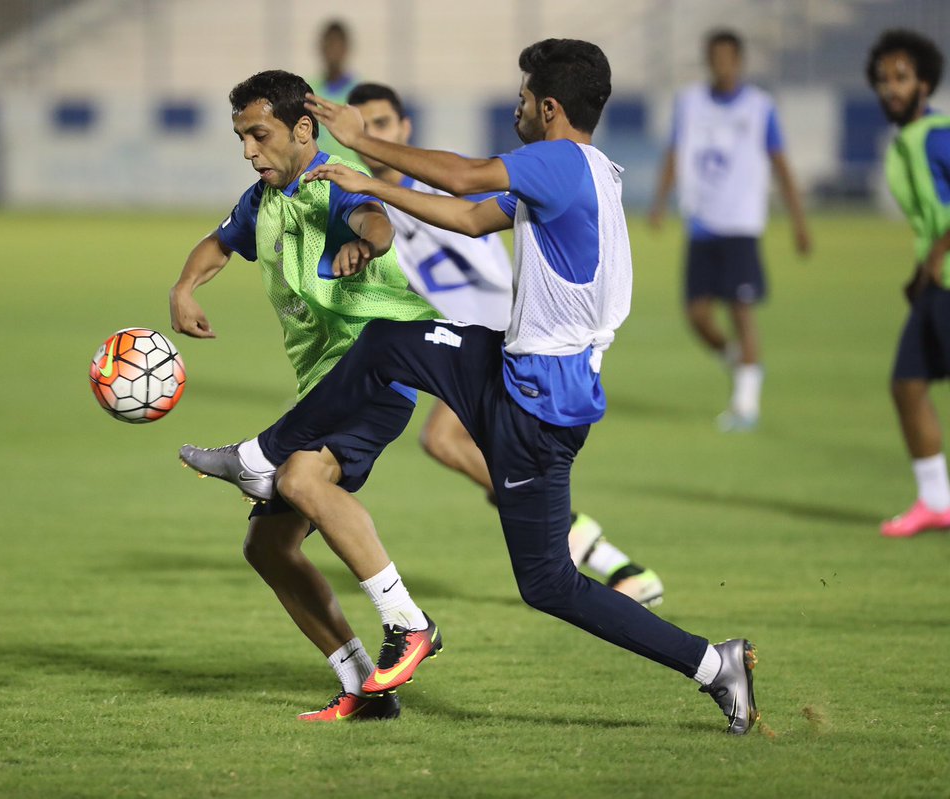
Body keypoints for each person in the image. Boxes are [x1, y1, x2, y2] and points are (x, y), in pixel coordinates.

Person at [182, 39, 760, 735]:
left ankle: (260, 457)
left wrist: (368, 145)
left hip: (533, 401)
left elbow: (462, 180)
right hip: (531, 382)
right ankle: (713, 663)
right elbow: (468, 215)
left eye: (521, 96)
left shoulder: (559, 158)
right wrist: (373, 187)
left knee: (544, 577)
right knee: (394, 348)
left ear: (548, 108)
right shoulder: (592, 172)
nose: (515, 106)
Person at [170, 69, 445, 722]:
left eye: (258, 135)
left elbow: (376, 221)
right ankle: (362, 686)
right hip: (318, 389)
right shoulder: (259, 202)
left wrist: (360, 243)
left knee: (301, 478)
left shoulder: (332, 182)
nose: (248, 150)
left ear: (302, 130)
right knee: (267, 547)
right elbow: (218, 243)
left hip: (374, 372)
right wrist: (185, 287)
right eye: (240, 137)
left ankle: (408, 622)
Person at [347, 80, 664, 607]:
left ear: (404, 129)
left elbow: (466, 191)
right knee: (488, 461)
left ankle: (591, 547)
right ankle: (611, 561)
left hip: (500, 330)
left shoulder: (438, 184)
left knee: (451, 444)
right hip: (464, 335)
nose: (369, 134)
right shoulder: (366, 199)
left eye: (380, 124)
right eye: (362, 126)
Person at [649, 29, 810, 432]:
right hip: (701, 222)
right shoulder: (689, 104)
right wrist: (660, 201)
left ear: (739, 61)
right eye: (714, 57)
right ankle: (743, 364)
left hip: (741, 222)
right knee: (697, 315)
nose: (721, 64)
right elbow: (674, 152)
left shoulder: (759, 107)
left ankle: (746, 404)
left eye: (727, 57)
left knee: (741, 311)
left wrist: (799, 222)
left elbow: (780, 163)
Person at [867, 30, 950, 538]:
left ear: (925, 81)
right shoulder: (910, 139)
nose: (890, 88)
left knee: (910, 382)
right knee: (907, 383)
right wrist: (921, 271)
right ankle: (937, 501)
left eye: (900, 77)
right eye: (882, 80)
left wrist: (936, 255)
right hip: (934, 285)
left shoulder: (937, 135)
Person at [309, 20, 364, 168]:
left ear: (346, 48)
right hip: (317, 178)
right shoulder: (307, 89)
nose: (333, 50)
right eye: (329, 44)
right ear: (321, 48)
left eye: (337, 44)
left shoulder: (361, 92)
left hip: (353, 177)